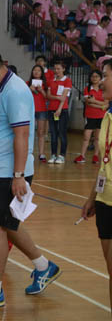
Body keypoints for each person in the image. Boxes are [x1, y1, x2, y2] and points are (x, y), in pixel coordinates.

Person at [0, 42, 59, 310]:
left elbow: (22, 135)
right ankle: (43, 266)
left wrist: (18, 175)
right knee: (9, 225)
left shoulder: (15, 91)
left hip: (8, 172)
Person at [81, 58, 112, 312]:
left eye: (106, 76)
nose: (101, 82)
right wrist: (93, 196)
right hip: (105, 200)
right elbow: (105, 162)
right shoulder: (107, 116)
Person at [75, 70, 106, 164]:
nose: (94, 78)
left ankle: (95, 156)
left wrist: (95, 101)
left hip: (101, 116)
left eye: (97, 76)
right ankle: (82, 156)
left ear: (100, 78)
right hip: (90, 116)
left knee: (97, 138)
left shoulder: (104, 89)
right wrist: (101, 105)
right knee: (86, 137)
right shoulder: (87, 89)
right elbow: (88, 103)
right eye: (93, 76)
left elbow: (106, 104)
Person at [46, 61, 72, 164]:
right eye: (55, 69)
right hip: (51, 110)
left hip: (62, 110)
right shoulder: (51, 80)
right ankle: (53, 154)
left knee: (62, 133)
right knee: (53, 134)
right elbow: (48, 95)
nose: (56, 71)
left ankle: (62, 155)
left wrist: (59, 109)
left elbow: (64, 97)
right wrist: (57, 97)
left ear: (63, 69)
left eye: (58, 69)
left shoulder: (67, 80)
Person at [28, 65, 48, 162]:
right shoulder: (27, 83)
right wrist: (29, 89)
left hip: (41, 109)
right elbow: (22, 96)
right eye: (34, 70)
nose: (36, 72)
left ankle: (41, 153)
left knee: (41, 132)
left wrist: (41, 90)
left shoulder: (45, 84)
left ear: (41, 73)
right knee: (29, 132)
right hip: (29, 110)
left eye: (38, 70)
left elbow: (47, 97)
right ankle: (28, 152)